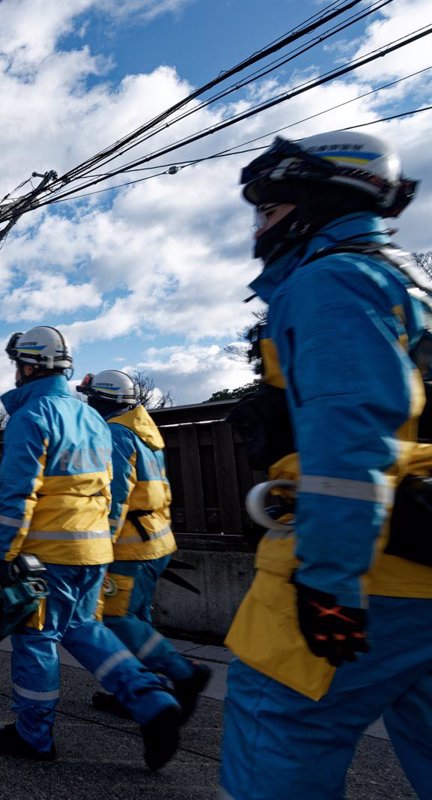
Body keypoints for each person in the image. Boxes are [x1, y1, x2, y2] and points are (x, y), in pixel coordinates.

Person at [221, 130, 431, 799]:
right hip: (421, 570)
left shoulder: (331, 279)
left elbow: (348, 443)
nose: (263, 224)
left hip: (364, 569)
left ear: (319, 197)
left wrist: (330, 585)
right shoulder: (407, 280)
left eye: (273, 205)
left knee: (276, 735)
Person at [0, 326, 181, 770]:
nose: (16, 371)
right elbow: (109, 492)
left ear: (30, 364)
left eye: (19, 363)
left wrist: (4, 555)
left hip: (47, 553)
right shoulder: (94, 419)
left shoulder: (32, 416)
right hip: (94, 551)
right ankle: (151, 701)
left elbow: (17, 496)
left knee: (36, 639)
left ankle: (33, 736)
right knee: (87, 630)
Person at [79, 369, 212, 718]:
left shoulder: (115, 434)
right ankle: (143, 691)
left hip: (129, 547)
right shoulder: (145, 432)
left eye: (90, 398)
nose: (88, 404)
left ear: (101, 400)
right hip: (155, 541)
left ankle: (185, 674)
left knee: (115, 618)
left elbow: (115, 497)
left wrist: (100, 547)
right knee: (137, 618)